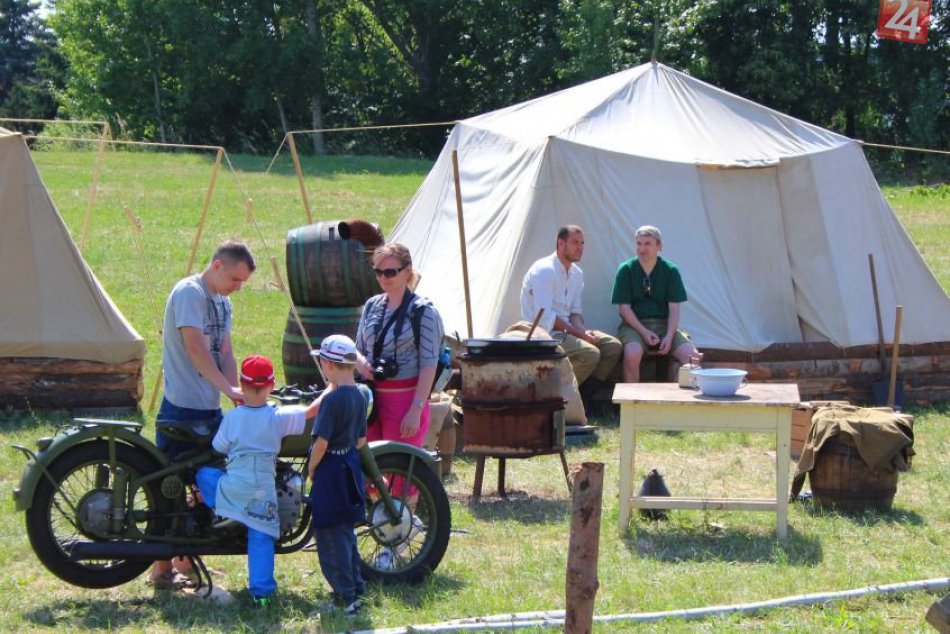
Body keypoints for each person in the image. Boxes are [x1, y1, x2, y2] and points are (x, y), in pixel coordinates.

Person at [150, 239, 256, 588]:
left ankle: (185, 561)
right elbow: (196, 349)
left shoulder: (222, 302)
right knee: (168, 490)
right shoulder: (189, 293)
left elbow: (224, 351)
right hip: (181, 408)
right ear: (217, 266)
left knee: (203, 486)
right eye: (235, 279)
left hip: (209, 408)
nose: (238, 288)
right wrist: (228, 390)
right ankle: (161, 570)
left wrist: (237, 393)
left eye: (243, 283)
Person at [194, 355, 316, 607]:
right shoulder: (277, 417)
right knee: (261, 537)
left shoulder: (232, 418)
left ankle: (222, 511)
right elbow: (308, 412)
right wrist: (331, 391)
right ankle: (261, 593)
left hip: (234, 486)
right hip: (262, 490)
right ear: (272, 386)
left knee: (204, 474)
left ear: (242, 385)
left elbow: (219, 447)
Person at [354, 243, 444, 448]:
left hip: (405, 401)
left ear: (407, 271)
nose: (383, 278)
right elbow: (357, 347)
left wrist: (416, 410)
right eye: (378, 272)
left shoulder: (424, 312)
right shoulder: (371, 305)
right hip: (370, 399)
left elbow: (429, 365)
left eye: (390, 272)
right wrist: (361, 363)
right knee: (369, 471)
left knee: (398, 472)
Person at [520, 225, 622, 400]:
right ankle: (556, 400)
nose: (580, 247)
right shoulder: (544, 270)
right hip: (543, 334)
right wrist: (580, 335)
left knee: (613, 346)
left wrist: (583, 332)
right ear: (561, 243)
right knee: (590, 353)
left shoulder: (577, 274)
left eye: (582, 243)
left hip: (565, 331)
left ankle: (583, 398)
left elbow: (575, 313)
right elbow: (545, 318)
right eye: (575, 242)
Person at [307, 335, 369, 618]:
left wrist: (311, 468)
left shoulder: (331, 400)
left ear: (328, 365)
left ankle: (345, 598)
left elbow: (320, 442)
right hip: (350, 466)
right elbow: (360, 440)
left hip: (331, 470)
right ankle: (355, 588)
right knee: (345, 533)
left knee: (330, 535)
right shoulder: (359, 395)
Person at [610, 225, 701, 382]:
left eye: (647, 244)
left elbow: (674, 308)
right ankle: (632, 403)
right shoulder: (626, 270)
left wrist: (669, 336)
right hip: (634, 326)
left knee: (693, 358)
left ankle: (680, 404)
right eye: (639, 243)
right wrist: (644, 332)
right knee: (632, 354)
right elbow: (624, 309)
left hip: (664, 324)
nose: (642, 249)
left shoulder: (670, 270)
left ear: (659, 246)